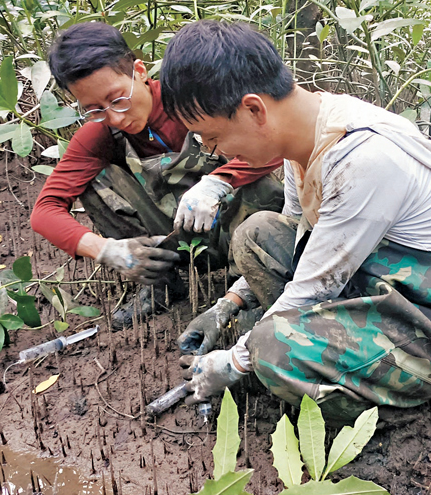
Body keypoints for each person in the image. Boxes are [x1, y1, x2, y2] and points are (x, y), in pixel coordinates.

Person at [162, 20, 431, 421]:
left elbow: (313, 287)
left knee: (271, 347)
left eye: (212, 138)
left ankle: (385, 412)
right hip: (377, 281)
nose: (216, 153)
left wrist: (233, 362)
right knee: (257, 234)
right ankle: (321, 358)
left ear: (253, 109)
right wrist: (228, 304)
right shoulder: (305, 138)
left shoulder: (363, 157)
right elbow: (299, 240)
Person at [30, 22, 284, 330]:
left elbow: (273, 144)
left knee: (264, 189)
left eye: (118, 98)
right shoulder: (99, 134)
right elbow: (45, 211)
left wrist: (219, 182)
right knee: (94, 181)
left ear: (140, 70)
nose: (115, 117)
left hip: (230, 227)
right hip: (171, 241)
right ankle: (161, 284)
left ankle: (244, 287)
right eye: (94, 109)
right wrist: (107, 250)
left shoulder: (191, 99)